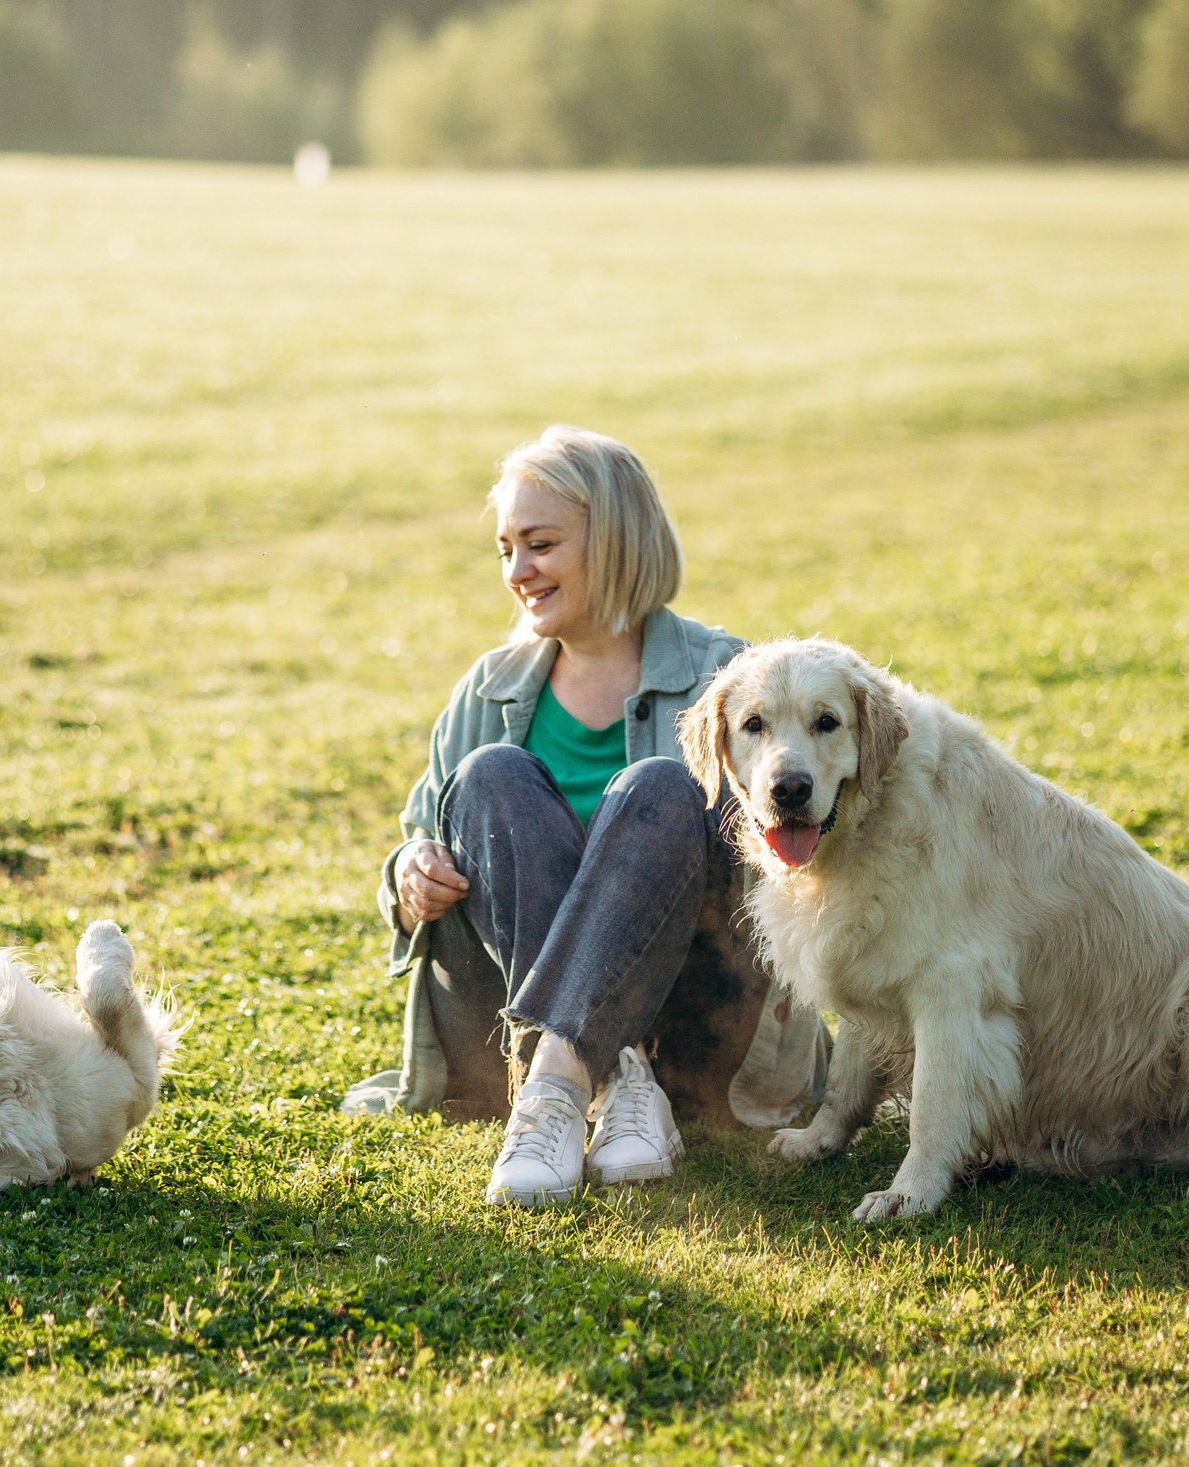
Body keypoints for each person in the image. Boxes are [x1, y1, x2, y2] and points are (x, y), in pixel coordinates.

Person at [339, 426, 828, 1206]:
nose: (517, 571)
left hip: (696, 1016)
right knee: (489, 773)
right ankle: (607, 1077)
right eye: (506, 549)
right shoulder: (488, 688)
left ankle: (565, 1084)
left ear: (618, 542)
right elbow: (417, 837)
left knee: (663, 786)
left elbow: (785, 858)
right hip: (499, 1019)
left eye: (540, 544)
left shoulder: (727, 675)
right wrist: (410, 875)